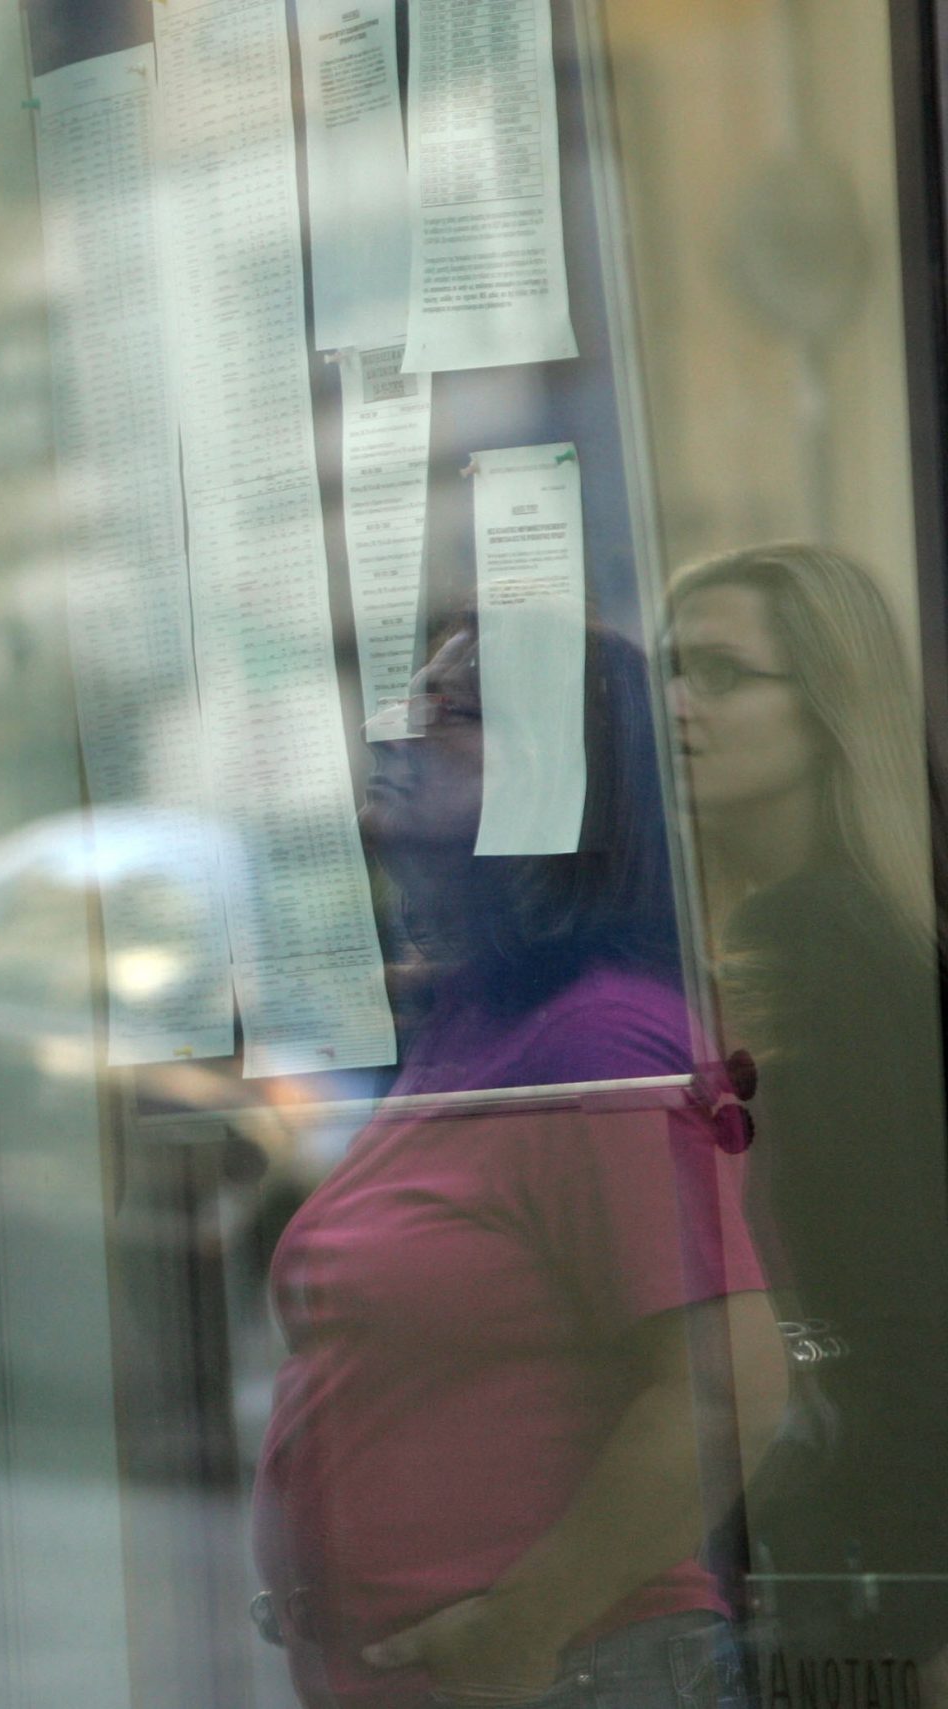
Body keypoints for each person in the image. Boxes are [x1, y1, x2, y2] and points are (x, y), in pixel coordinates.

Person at [251, 619, 785, 1708]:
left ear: (556, 777)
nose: (392, 736)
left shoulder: (600, 1039)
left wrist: (523, 1623)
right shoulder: (479, 1020)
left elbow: (726, 1384)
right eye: (404, 704)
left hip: (572, 1672)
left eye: (448, 713)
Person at [667, 543, 948, 1683]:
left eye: (721, 674)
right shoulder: (855, 918)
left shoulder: (812, 937)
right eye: (666, 672)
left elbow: (875, 1286)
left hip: (856, 1548)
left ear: (827, 710)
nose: (675, 706)